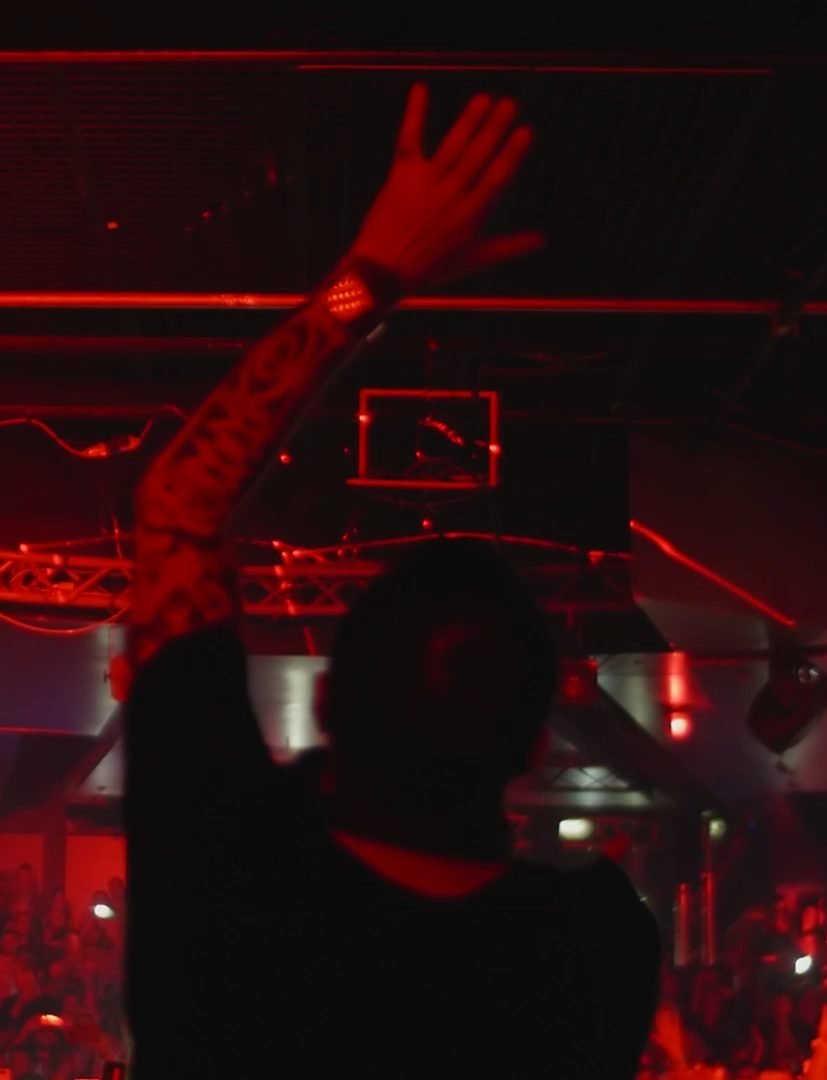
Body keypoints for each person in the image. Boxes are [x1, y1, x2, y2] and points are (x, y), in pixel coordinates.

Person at [123, 84, 659, 1078]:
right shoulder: (594, 952)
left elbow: (179, 501)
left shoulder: (222, 888)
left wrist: (367, 280)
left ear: (327, 701)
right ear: (534, 747)